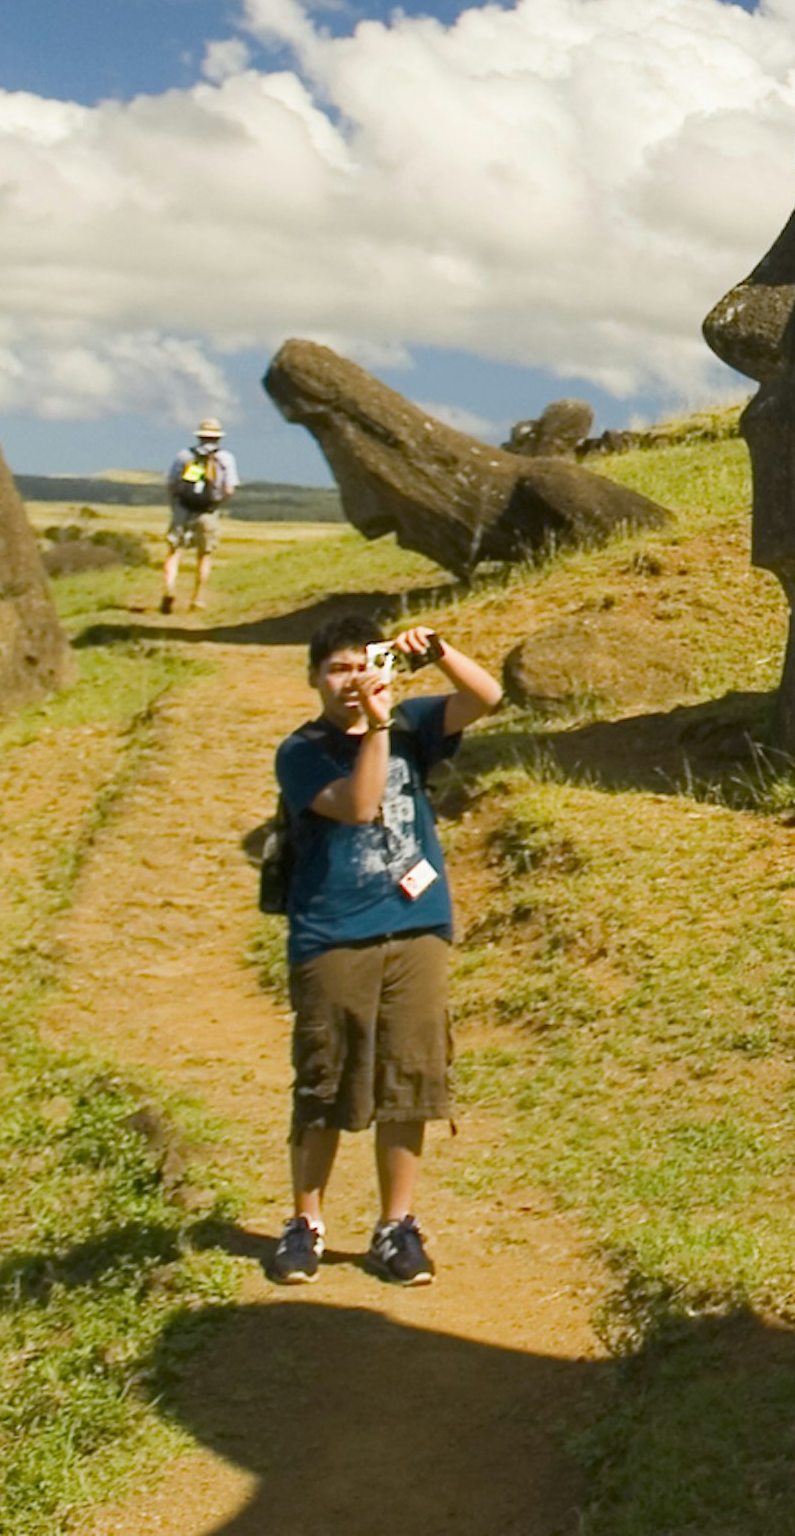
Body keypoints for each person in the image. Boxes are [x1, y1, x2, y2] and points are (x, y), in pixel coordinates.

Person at [262, 608, 501, 1286]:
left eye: (363, 663)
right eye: (336, 668)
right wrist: (373, 726)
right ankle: (305, 1223)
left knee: (410, 1080)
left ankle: (396, 1227)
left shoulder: (414, 725)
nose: (351, 679)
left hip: (416, 928)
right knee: (324, 1083)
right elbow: (362, 805)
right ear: (313, 679)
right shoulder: (301, 751)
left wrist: (440, 651)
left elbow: (485, 697)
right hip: (332, 936)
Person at [157, 418, 238, 615]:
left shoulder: (184, 455)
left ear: (199, 437)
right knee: (204, 556)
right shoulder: (225, 459)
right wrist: (217, 504)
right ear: (218, 438)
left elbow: (171, 483)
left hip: (182, 508)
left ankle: (169, 589)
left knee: (174, 551)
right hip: (208, 511)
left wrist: (174, 506)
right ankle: (197, 598)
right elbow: (229, 489)